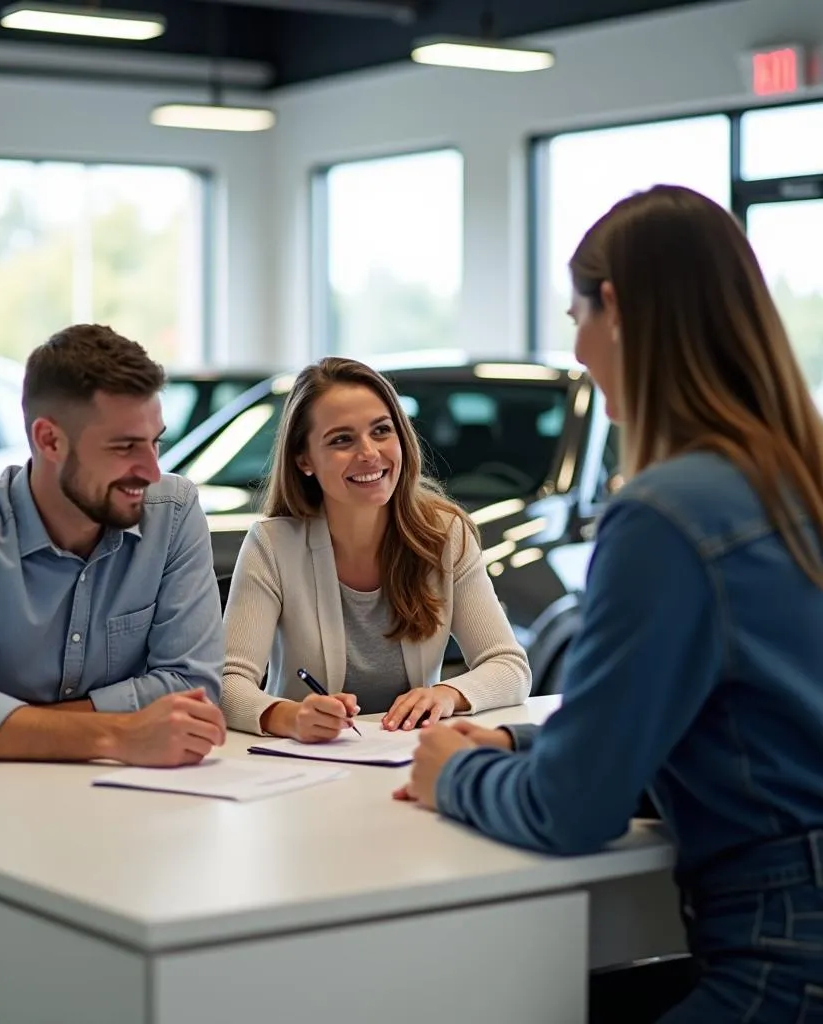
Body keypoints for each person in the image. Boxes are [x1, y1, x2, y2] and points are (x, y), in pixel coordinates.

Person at [398, 185, 823, 1022]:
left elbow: (569, 812)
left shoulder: (666, 513)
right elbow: (740, 725)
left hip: (782, 949)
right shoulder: (798, 482)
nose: (581, 349)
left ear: (618, 309)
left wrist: (457, 772)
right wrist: (523, 740)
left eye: (576, 317)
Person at [0, 324, 226, 768]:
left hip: (89, 791)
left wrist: (9, 727)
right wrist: (118, 734)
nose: (151, 471)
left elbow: (194, 689)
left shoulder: (172, 512)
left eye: (155, 442)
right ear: (49, 440)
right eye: (125, 446)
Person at [221, 357, 530, 741]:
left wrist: (448, 694)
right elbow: (228, 681)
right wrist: (289, 716)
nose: (368, 453)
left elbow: (509, 665)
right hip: (306, 767)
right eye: (342, 440)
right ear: (304, 460)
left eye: (381, 431)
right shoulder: (271, 545)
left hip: (406, 758)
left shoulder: (445, 536)